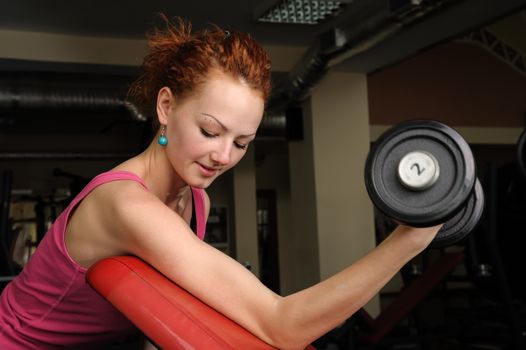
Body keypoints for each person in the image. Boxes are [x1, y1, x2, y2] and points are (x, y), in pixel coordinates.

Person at [0, 15, 441, 349]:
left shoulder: (195, 199)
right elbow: (282, 323)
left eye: (242, 142)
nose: (224, 156)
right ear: (167, 106)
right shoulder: (125, 206)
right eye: (210, 132)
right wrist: (409, 239)